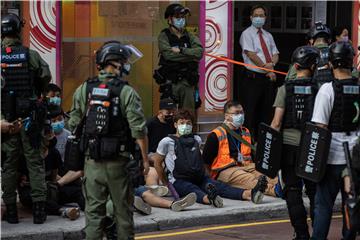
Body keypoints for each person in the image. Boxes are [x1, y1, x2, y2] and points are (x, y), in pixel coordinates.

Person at [68, 41, 149, 240]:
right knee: (122, 213)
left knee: (94, 214)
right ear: (116, 63)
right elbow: (138, 130)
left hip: (91, 163)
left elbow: (73, 123)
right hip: (118, 164)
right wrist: (145, 160)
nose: (127, 65)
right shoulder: (126, 91)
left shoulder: (84, 88)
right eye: (124, 61)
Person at [153, 109, 268, 206]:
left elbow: (199, 160)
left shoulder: (196, 140)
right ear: (175, 125)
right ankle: (210, 199)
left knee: (220, 186)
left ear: (192, 125)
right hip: (179, 180)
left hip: (198, 177)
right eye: (181, 123)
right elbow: (157, 163)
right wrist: (165, 183)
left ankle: (249, 194)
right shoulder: (167, 142)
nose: (185, 126)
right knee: (192, 190)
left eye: (188, 123)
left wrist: (206, 175)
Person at [1, 13, 51, 224]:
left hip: (6, 120)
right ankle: (39, 212)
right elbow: (45, 76)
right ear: (18, 30)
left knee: (9, 165)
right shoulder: (30, 55)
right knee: (35, 163)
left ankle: (11, 211)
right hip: (29, 119)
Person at [310, 41, 359, 240]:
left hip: (331, 159)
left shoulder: (327, 90)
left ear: (330, 63)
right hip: (355, 161)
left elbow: (319, 128)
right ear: (351, 62)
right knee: (352, 204)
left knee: (323, 207)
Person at [271, 46, 320, 239]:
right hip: (313, 146)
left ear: (295, 66)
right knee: (315, 191)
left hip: (289, 149)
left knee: (292, 191)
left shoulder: (284, 89)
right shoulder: (320, 90)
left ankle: (301, 235)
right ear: (314, 66)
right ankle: (319, 231)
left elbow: (276, 123)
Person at [203, 100, 282, 198]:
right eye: (236, 113)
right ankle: (275, 190)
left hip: (246, 165)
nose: (240, 115)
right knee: (249, 179)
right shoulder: (215, 135)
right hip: (225, 170)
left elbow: (253, 155)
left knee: (266, 174)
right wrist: (210, 181)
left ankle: (284, 185)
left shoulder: (246, 132)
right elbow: (205, 161)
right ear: (227, 116)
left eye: (242, 112)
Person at [239, 5, 280, 139]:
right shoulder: (247, 34)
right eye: (256, 15)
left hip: (267, 79)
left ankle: (263, 143)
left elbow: (275, 53)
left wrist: (272, 65)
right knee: (250, 112)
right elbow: (251, 54)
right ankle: (249, 144)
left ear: (265, 18)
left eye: (261, 15)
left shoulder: (268, 35)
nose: (259, 18)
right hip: (253, 78)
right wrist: (266, 68)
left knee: (267, 112)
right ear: (251, 17)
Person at [155, 3, 204, 111]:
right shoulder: (164, 36)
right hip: (171, 83)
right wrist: (191, 56)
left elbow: (199, 53)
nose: (181, 20)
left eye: (183, 17)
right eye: (177, 17)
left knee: (188, 115)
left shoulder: (190, 35)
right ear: (169, 19)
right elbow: (168, 55)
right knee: (168, 114)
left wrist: (182, 50)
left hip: (188, 82)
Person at [286, 22, 332, 86]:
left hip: (311, 93)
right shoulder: (336, 53)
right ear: (329, 40)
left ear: (311, 40)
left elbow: (289, 79)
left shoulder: (304, 55)